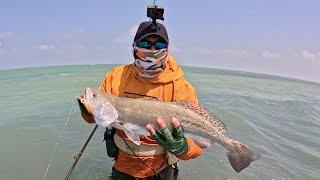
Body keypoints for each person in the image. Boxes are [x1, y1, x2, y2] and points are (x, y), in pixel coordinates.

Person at [78, 21, 204, 180]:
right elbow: (99, 116)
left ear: (167, 49)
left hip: (162, 170)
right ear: (134, 48)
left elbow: (199, 147)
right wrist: (88, 113)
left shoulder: (182, 87)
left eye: (159, 45)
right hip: (123, 167)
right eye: (145, 43)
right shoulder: (115, 76)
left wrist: (182, 148)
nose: (152, 50)